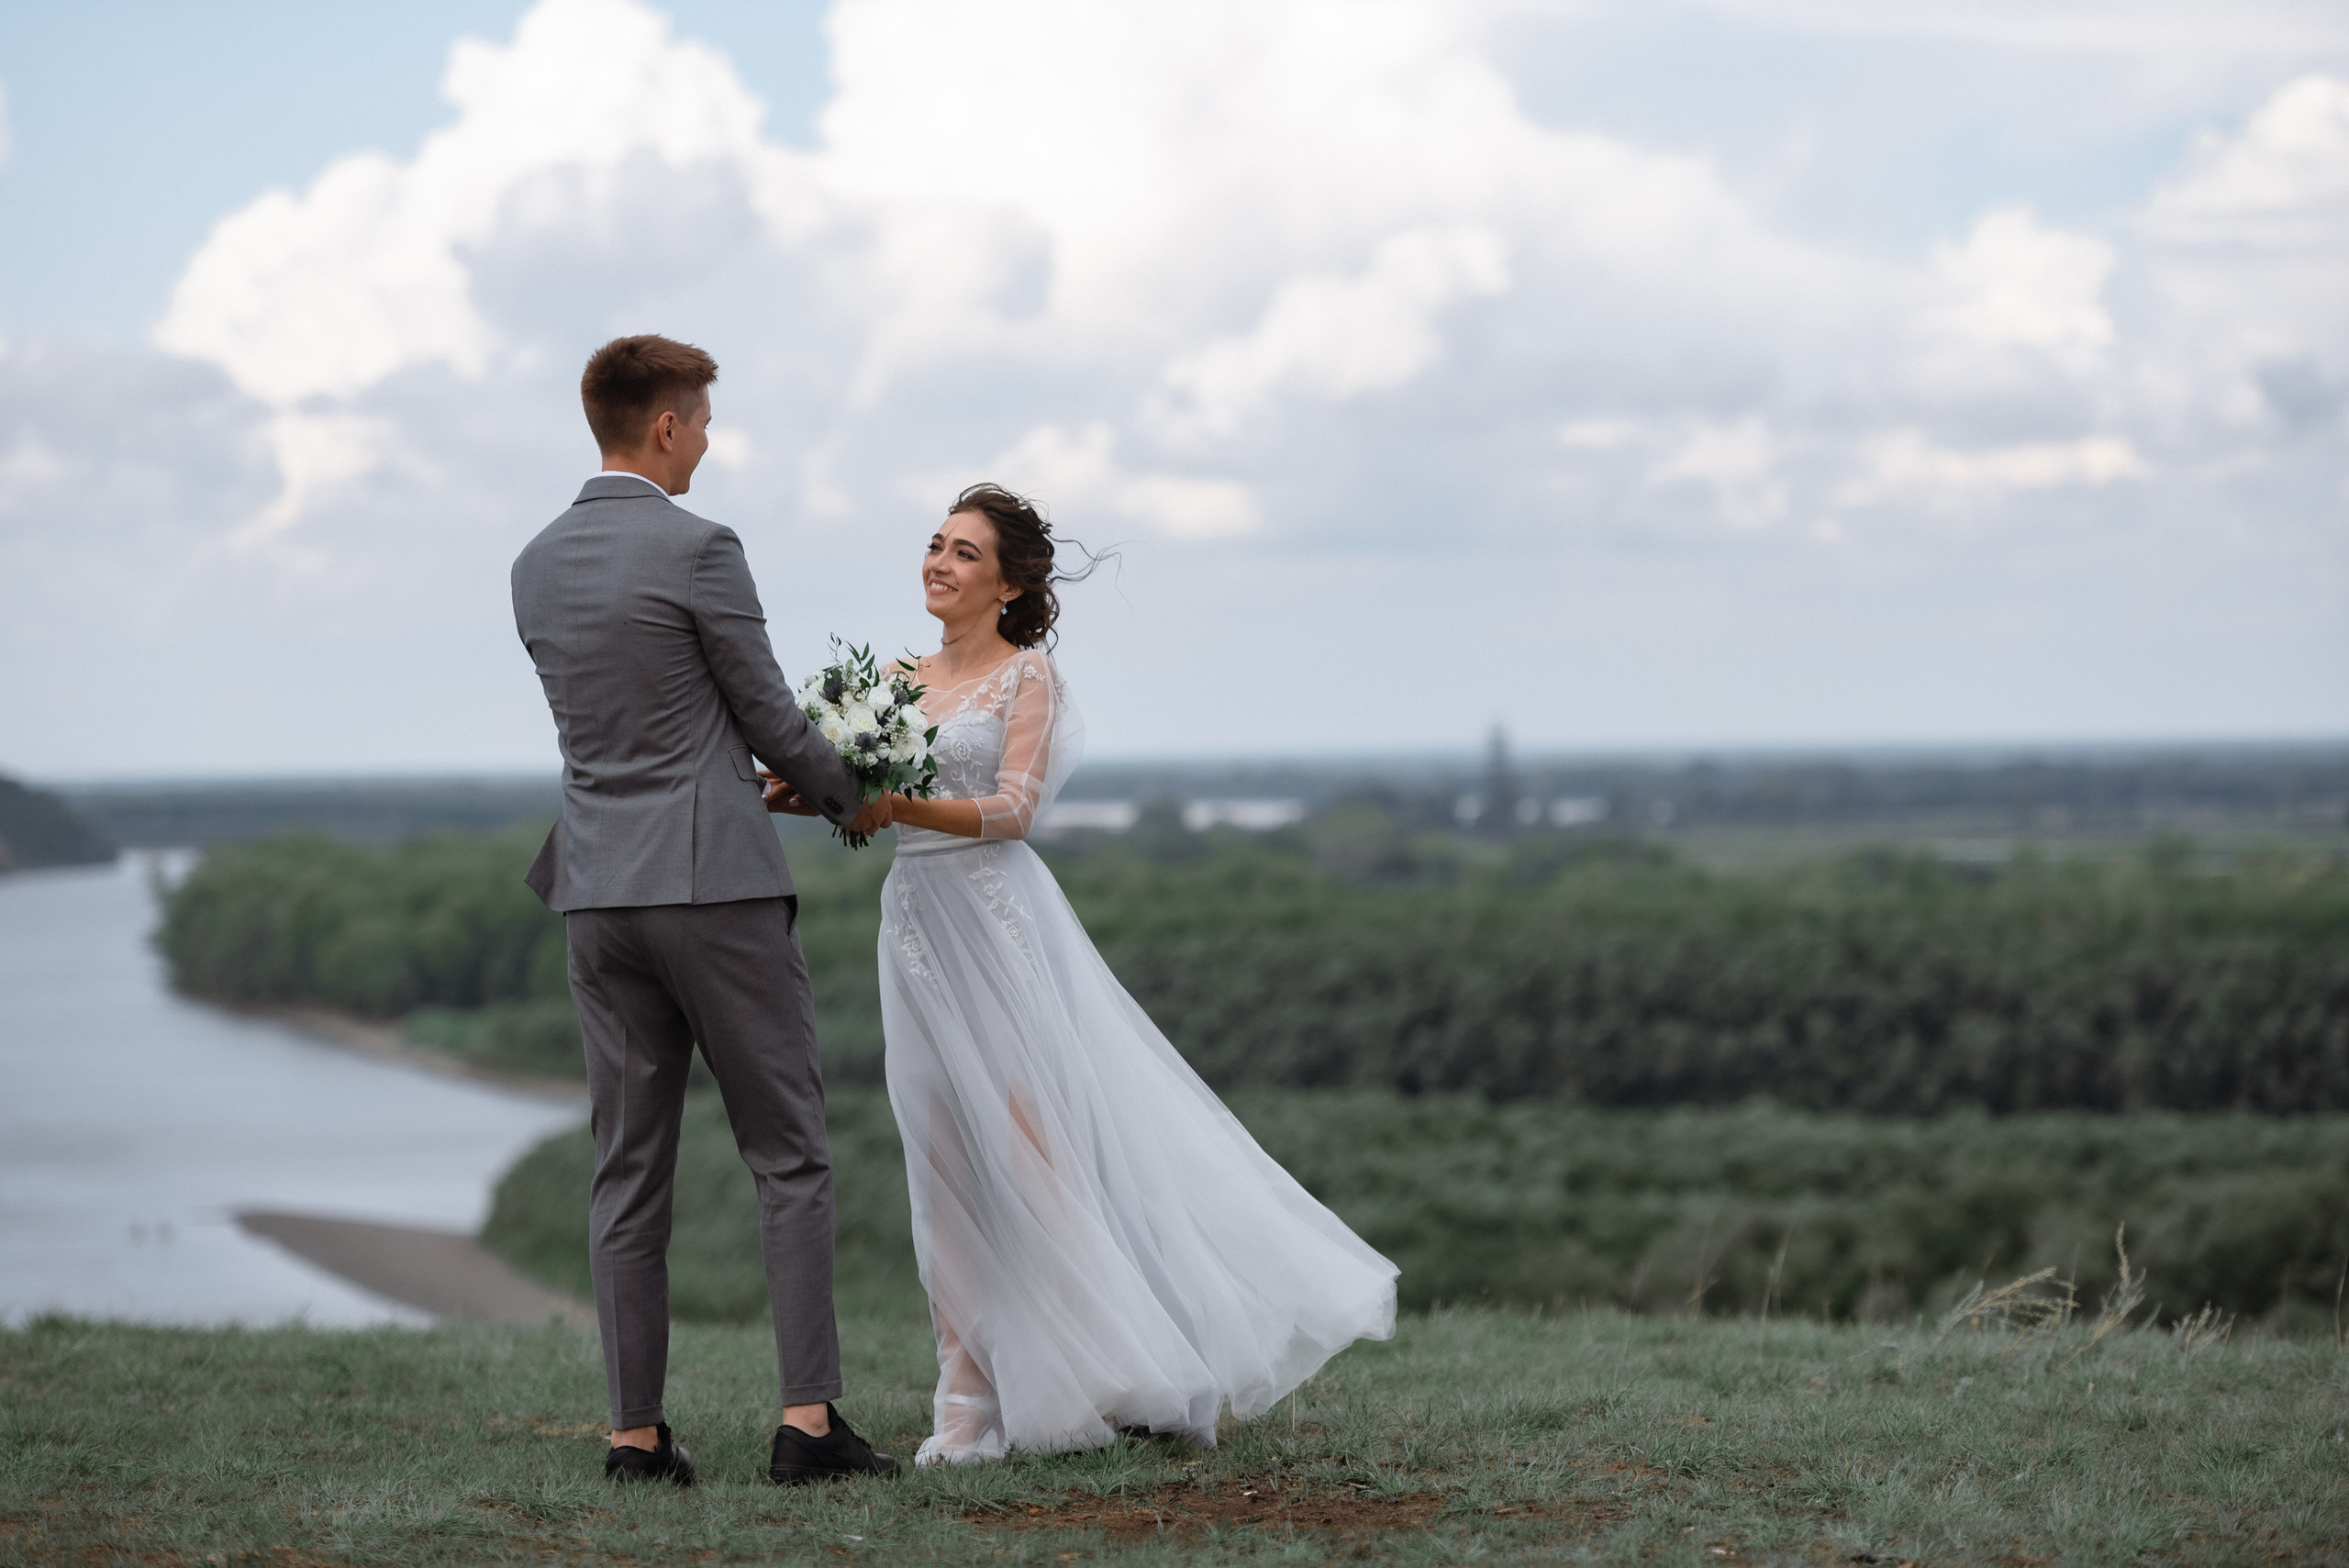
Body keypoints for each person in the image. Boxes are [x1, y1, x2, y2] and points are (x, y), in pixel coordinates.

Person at [770, 483, 1397, 1464]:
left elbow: (1015, 807)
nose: (938, 561)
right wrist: (804, 793)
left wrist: (896, 809)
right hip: (919, 927)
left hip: (999, 917)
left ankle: (1120, 1372)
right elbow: (852, 793)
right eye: (935, 544)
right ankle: (965, 1407)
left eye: (965, 552)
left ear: (1010, 584)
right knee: (937, 1163)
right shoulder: (888, 679)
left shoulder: (1028, 680)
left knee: (1033, 1158)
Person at [510, 334, 898, 1487]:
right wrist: (852, 797)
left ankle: (636, 1438)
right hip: (714, 889)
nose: (710, 442)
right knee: (789, 1154)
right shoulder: (699, 548)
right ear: (667, 426)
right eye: (704, 421)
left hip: (595, 891)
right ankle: (808, 1426)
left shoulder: (531, 563)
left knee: (626, 1168)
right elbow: (771, 719)